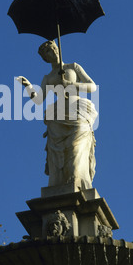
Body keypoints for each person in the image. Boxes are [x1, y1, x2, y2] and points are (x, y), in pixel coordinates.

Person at [17, 40, 97, 190]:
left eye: (53, 48)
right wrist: (28, 86)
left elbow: (92, 86)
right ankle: (59, 184)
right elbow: (39, 99)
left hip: (77, 112)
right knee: (58, 155)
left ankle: (77, 182)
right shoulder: (48, 77)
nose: (52, 52)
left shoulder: (73, 67)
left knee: (76, 147)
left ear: (58, 49)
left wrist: (70, 85)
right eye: (47, 52)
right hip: (57, 116)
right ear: (45, 58)